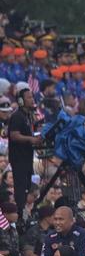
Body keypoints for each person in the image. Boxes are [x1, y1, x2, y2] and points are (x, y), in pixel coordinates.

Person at [6, 87, 41, 216]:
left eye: (32, 97)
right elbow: (14, 135)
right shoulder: (17, 116)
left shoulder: (28, 115)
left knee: (26, 186)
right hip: (18, 158)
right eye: (29, 97)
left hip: (27, 157)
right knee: (20, 188)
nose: (32, 100)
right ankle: (20, 214)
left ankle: (24, 211)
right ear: (21, 101)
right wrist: (31, 139)